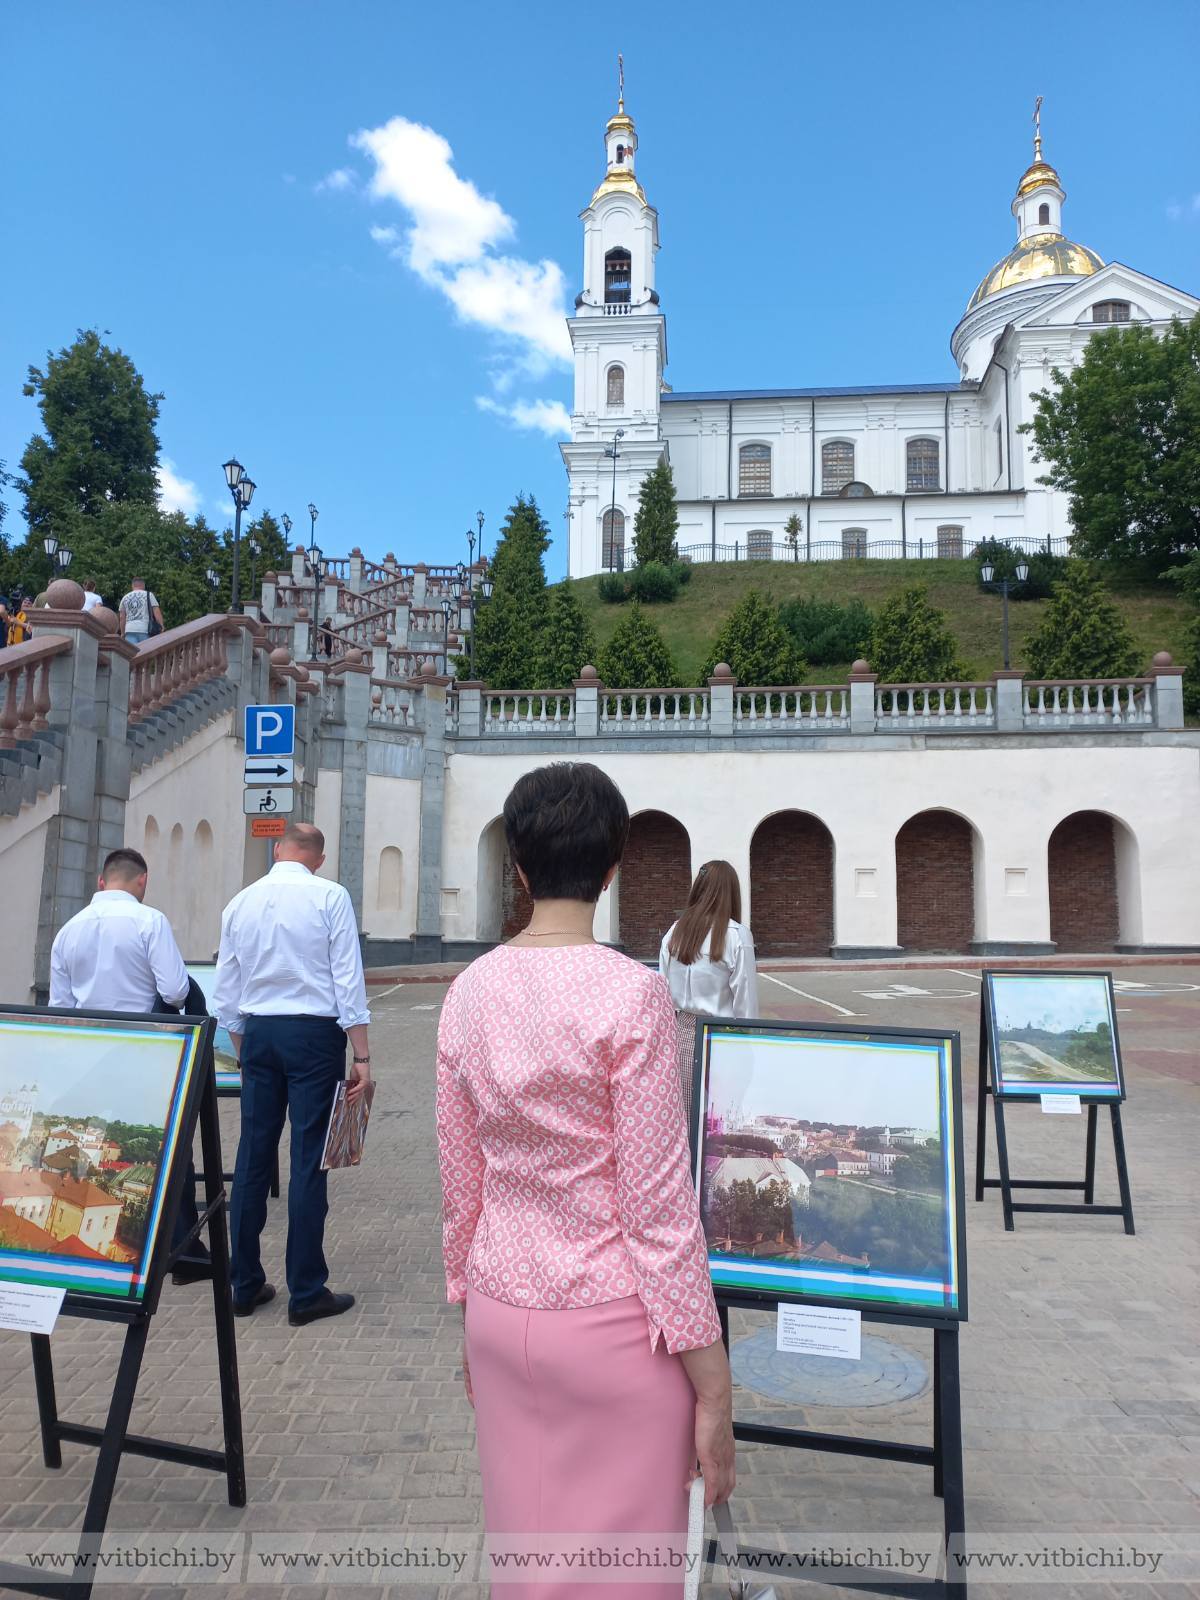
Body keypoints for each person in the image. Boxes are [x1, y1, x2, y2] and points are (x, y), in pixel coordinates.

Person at [437, 763, 734, 1599]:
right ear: (613, 867)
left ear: (519, 867)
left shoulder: (467, 992)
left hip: (501, 1311)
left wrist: (467, 1309)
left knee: (525, 1562)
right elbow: (658, 1209)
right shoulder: (632, 996)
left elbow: (462, 1187)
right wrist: (711, 1377)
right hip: (616, 1325)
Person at [212, 821, 372, 1325]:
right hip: (313, 1036)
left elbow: (225, 992)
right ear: (318, 858)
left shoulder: (240, 902)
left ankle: (243, 1284)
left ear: (277, 849)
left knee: (253, 1157)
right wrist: (362, 1056)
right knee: (308, 1161)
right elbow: (347, 976)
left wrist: (245, 1047)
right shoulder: (330, 896)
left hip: (258, 1034)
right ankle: (305, 1291)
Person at [48, 847, 212, 1285]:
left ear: (102, 882)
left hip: (90, 1055)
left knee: (100, 1153)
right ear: (143, 882)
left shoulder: (68, 930)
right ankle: (181, 1250)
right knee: (168, 1145)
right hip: (145, 1052)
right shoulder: (149, 921)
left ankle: (109, 1246)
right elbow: (176, 990)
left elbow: (60, 1008)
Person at [660, 860, 760, 1020]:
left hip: (677, 1031)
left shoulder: (674, 930)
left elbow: (663, 988)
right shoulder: (738, 935)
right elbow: (746, 1003)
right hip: (719, 1034)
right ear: (731, 893)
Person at [118, 577, 163, 645]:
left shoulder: (125, 597)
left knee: (132, 654)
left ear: (132, 585)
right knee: (145, 653)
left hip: (129, 630)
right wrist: (161, 626)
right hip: (145, 629)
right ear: (143, 585)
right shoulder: (149, 595)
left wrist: (122, 633)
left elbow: (122, 617)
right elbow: (156, 612)